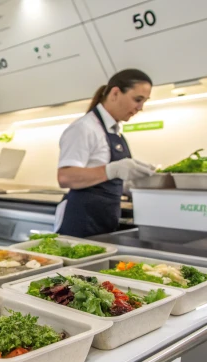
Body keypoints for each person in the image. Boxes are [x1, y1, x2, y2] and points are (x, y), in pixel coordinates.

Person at [55, 69, 155, 238]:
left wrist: (134, 187)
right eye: (137, 100)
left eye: (144, 101)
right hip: (80, 225)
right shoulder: (84, 128)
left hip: (103, 223)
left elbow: (104, 182)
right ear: (115, 93)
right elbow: (65, 177)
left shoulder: (115, 131)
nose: (140, 108)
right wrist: (112, 170)